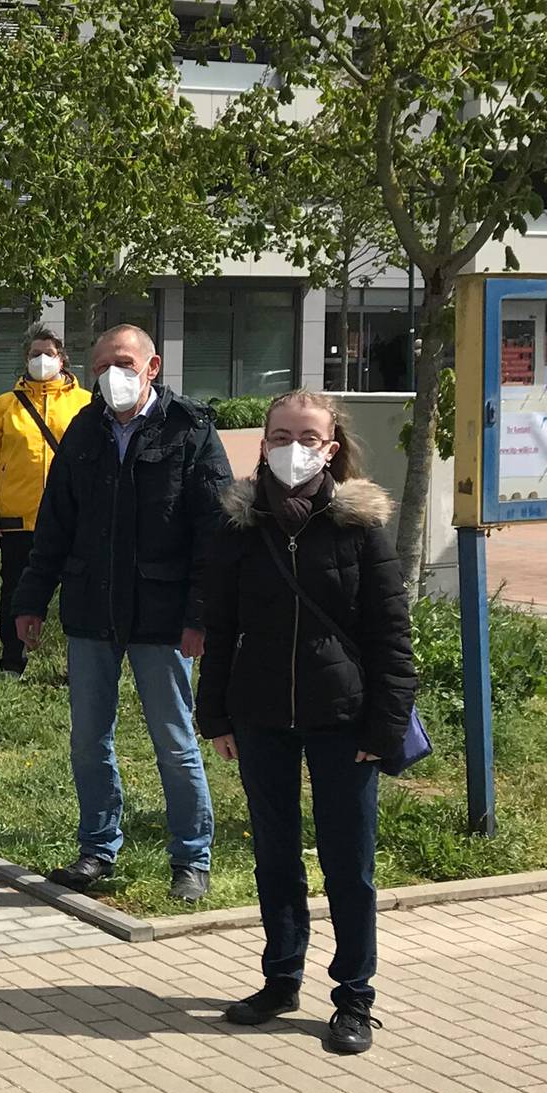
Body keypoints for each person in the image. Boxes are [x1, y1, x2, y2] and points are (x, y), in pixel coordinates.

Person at [198, 390, 415, 1055]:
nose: (294, 447)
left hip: (343, 719)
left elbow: (391, 636)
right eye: (281, 435)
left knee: (348, 864)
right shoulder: (238, 526)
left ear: (332, 448)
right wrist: (216, 716)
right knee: (275, 856)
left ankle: (354, 997)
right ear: (262, 444)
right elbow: (221, 627)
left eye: (308, 436)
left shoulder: (359, 527)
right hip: (261, 713)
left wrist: (383, 728)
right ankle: (280, 978)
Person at [11, 324, 232, 902]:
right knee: (89, 739)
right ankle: (97, 850)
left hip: (165, 619)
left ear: (153, 365)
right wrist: (31, 599)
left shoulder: (192, 430)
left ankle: (191, 859)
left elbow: (216, 535)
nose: (114, 374)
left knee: (174, 741)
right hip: (91, 613)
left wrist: (200, 616)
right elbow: (55, 524)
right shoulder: (84, 429)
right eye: (103, 364)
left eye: (126, 362)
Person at [0, 326, 89, 678]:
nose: (41, 360)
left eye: (48, 353)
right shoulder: (5, 406)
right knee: (16, 595)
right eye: (34, 353)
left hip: (74, 519)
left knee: (79, 597)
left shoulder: (84, 403)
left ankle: (79, 666)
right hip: (18, 521)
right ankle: (12, 662)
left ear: (62, 358)